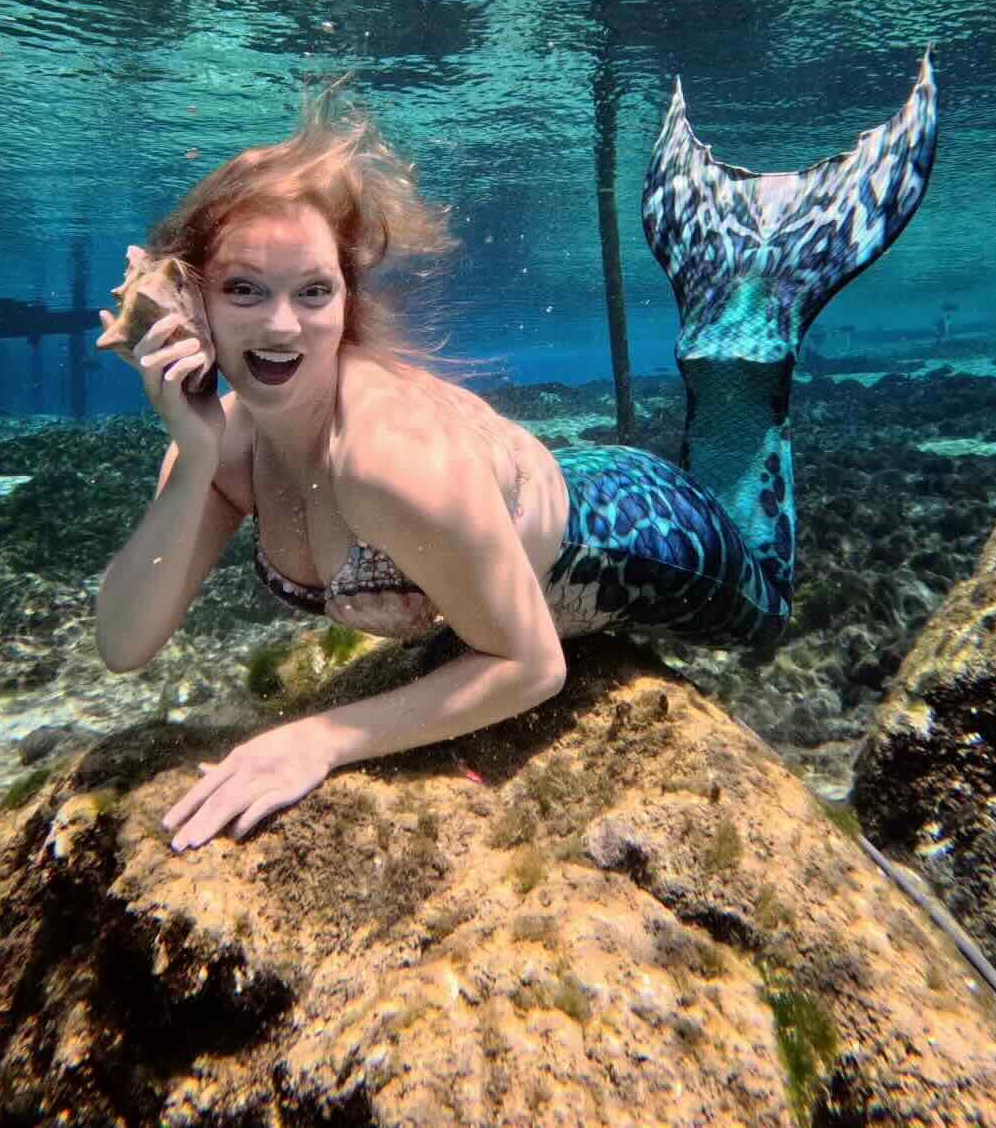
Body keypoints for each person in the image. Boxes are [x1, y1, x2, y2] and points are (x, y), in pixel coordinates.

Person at [96, 62, 937, 852]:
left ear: (346, 299)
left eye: (312, 291)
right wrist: (195, 450)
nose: (282, 326)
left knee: (764, 603)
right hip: (517, 487)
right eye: (245, 290)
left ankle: (748, 334)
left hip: (626, 530)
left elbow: (532, 666)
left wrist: (319, 740)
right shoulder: (225, 442)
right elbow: (125, 643)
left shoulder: (384, 459)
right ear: (194, 299)